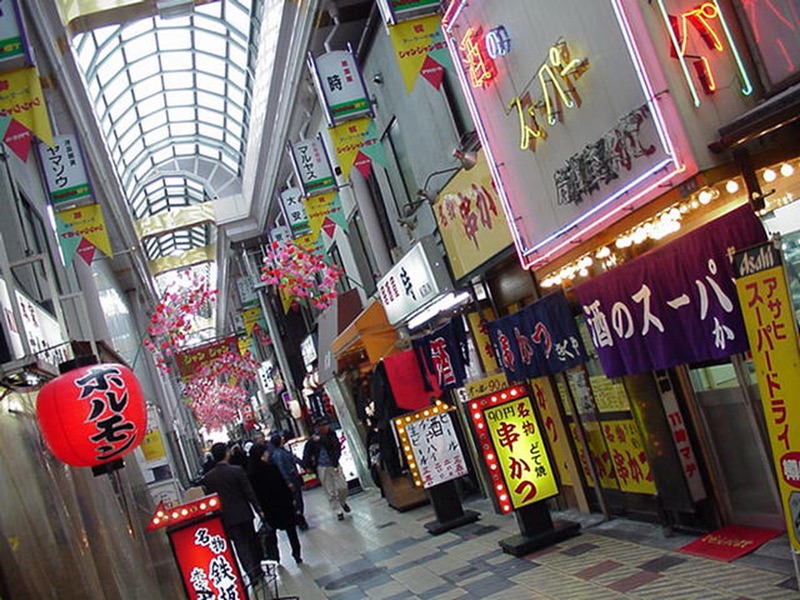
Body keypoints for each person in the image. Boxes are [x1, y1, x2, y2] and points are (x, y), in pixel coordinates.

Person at [200, 442, 265, 586]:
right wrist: (259, 509)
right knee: (251, 541)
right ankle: (257, 568)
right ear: (226, 453)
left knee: (240, 545)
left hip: (227, 517)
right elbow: (248, 492)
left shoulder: (209, 478)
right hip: (244, 513)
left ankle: (250, 573)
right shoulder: (237, 471)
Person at [246, 442, 302, 564]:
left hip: (268, 507)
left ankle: (276, 556)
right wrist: (291, 499)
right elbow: (282, 485)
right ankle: (296, 554)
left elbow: (254, 493)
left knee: (272, 533)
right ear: (262, 454)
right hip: (282, 504)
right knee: (291, 531)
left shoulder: (251, 474)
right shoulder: (272, 468)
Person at [303, 418, 350, 521]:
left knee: (343, 487)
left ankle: (342, 502)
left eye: (326, 425)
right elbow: (307, 453)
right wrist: (308, 466)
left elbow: (334, 446)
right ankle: (338, 511)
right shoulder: (312, 440)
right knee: (330, 490)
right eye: (322, 426)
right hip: (322, 467)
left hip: (334, 464)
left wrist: (321, 440)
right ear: (318, 427)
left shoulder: (331, 435)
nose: (325, 427)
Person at [270, 433, 309, 530]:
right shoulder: (279, 454)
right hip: (291, 479)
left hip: (293, 478)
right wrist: (288, 481)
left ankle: (299, 518)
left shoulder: (282, 451)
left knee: (297, 499)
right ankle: (300, 520)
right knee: (296, 500)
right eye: (281, 438)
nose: (283, 438)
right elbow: (282, 468)